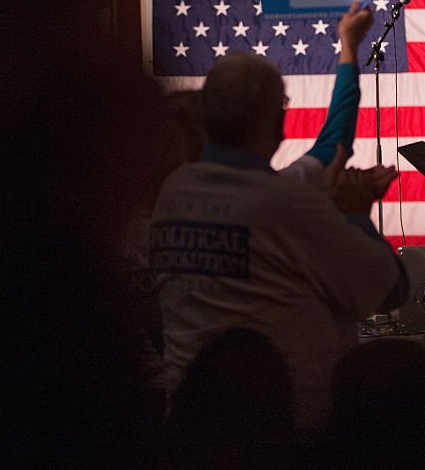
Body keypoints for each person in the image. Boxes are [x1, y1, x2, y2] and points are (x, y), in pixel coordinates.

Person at [152, 22, 408, 430]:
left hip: (190, 429)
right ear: (279, 123)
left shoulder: (170, 195)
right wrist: (355, 211)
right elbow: (390, 288)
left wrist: (347, 50)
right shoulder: (289, 203)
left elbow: (332, 142)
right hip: (286, 433)